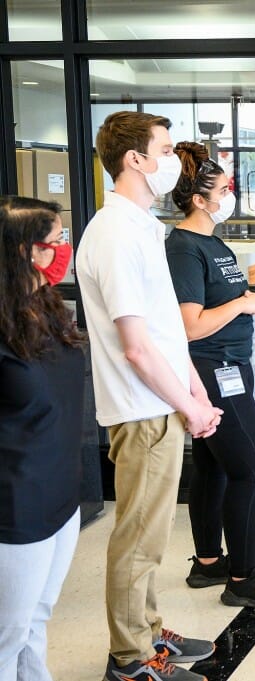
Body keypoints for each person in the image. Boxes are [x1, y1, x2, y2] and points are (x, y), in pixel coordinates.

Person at [76, 111, 223, 681]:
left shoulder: (142, 226)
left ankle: (149, 630)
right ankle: (131, 660)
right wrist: (187, 405)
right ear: (134, 159)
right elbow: (136, 347)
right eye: (163, 150)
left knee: (153, 536)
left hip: (163, 403)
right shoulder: (112, 233)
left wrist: (196, 389)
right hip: (142, 410)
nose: (172, 161)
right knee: (138, 538)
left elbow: (164, 327)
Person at [165, 142, 255, 610]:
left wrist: (243, 286)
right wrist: (242, 302)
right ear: (199, 199)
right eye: (224, 190)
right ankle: (242, 578)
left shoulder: (213, 242)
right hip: (213, 367)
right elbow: (190, 324)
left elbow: (216, 296)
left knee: (214, 462)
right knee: (251, 463)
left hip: (233, 362)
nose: (230, 196)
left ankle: (207, 562)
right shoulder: (182, 248)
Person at [0, 196, 84, 681]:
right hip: (15, 510)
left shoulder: (46, 307)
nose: (63, 250)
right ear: (21, 252)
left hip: (59, 498)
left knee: (36, 622)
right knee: (7, 637)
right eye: (54, 242)